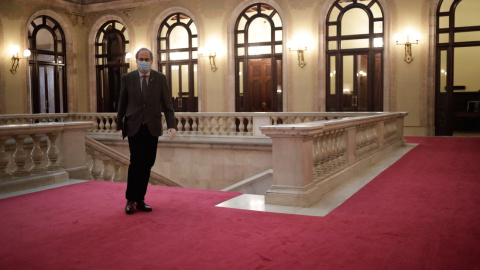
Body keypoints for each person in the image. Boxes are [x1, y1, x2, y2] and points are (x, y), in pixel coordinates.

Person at [116, 47, 177, 215]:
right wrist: (119, 125)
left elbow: (167, 105)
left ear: (152, 60)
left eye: (146, 59)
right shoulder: (128, 78)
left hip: (152, 127)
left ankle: (140, 199)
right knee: (136, 163)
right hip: (134, 126)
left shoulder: (160, 79)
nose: (144, 62)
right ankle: (130, 200)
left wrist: (172, 125)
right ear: (136, 61)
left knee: (148, 163)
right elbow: (122, 103)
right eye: (141, 59)